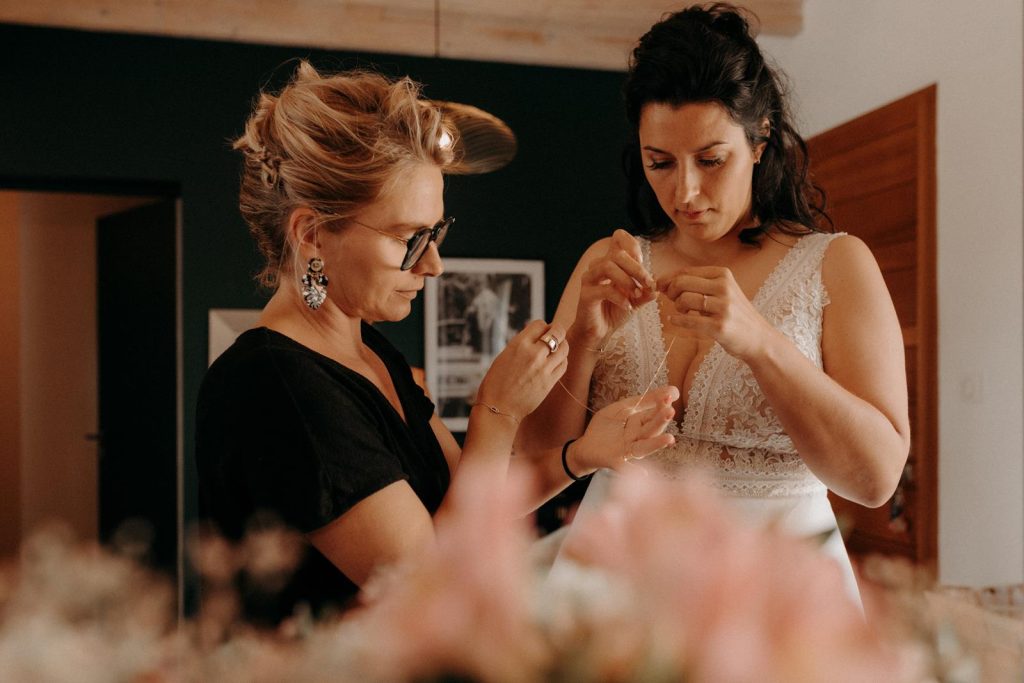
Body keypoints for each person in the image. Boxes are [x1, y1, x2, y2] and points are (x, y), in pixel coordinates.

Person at [195, 61, 678, 625]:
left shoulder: (374, 354)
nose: (434, 264)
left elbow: (470, 506)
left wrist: (581, 455)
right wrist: (495, 412)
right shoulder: (275, 384)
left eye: (436, 233)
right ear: (310, 235)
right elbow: (428, 582)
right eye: (408, 237)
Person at [519, 3, 910, 600]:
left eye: (711, 159)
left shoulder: (836, 263)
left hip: (776, 594)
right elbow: (540, 458)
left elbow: (876, 478)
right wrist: (584, 341)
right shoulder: (612, 259)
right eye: (660, 163)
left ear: (760, 141)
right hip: (612, 583)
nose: (686, 191)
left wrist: (760, 342)